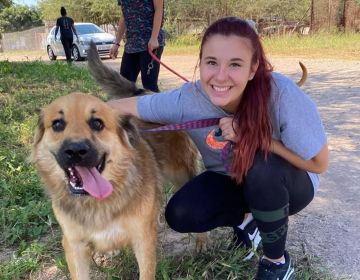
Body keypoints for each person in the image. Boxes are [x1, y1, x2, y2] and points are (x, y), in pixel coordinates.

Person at [108, 17, 328, 280]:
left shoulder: (281, 94)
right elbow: (130, 105)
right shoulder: (188, 98)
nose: (220, 76)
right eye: (211, 62)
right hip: (231, 179)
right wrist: (79, 115)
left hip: (290, 184)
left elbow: (319, 163)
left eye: (235, 64)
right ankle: (249, 222)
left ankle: (276, 262)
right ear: (200, 62)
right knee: (180, 213)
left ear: (252, 68)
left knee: (261, 168)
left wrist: (257, 139)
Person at [109, 0, 165, 92]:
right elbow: (124, 15)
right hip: (131, 44)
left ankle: (155, 106)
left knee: (149, 86)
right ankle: (128, 106)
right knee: (124, 86)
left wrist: (154, 37)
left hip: (150, 43)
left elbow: (159, 10)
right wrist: (116, 43)